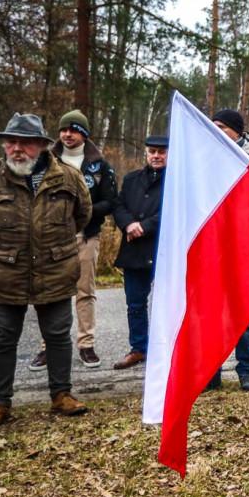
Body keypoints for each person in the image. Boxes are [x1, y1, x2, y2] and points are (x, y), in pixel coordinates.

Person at [0, 112, 92, 429]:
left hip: (56, 269)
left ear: (43, 146)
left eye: (26, 143)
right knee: (2, 340)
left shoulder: (69, 177)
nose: (17, 148)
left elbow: (82, 215)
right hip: (4, 274)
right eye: (11, 142)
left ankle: (62, 395)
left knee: (58, 336)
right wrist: (1, 248)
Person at [27, 110, 117, 371]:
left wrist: (82, 211)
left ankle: (86, 345)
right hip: (50, 239)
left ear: (84, 134)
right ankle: (48, 347)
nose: (67, 134)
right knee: (50, 293)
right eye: (64, 130)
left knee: (85, 292)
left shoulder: (99, 165)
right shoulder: (44, 161)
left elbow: (110, 201)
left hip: (86, 237)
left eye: (74, 130)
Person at [204, 108, 249, 392]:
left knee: (241, 312)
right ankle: (211, 372)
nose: (216, 131)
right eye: (213, 127)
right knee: (210, 312)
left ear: (237, 131)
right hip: (210, 245)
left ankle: (246, 370)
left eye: (221, 127)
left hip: (243, 246)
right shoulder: (204, 157)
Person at [112, 136, 168, 370]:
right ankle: (139, 349)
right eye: (152, 151)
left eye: (161, 152)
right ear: (146, 153)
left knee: (167, 304)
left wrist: (144, 226)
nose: (156, 156)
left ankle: (166, 349)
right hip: (134, 250)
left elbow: (174, 209)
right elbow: (118, 205)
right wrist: (128, 224)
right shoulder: (132, 179)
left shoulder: (177, 181)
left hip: (163, 250)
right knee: (135, 304)